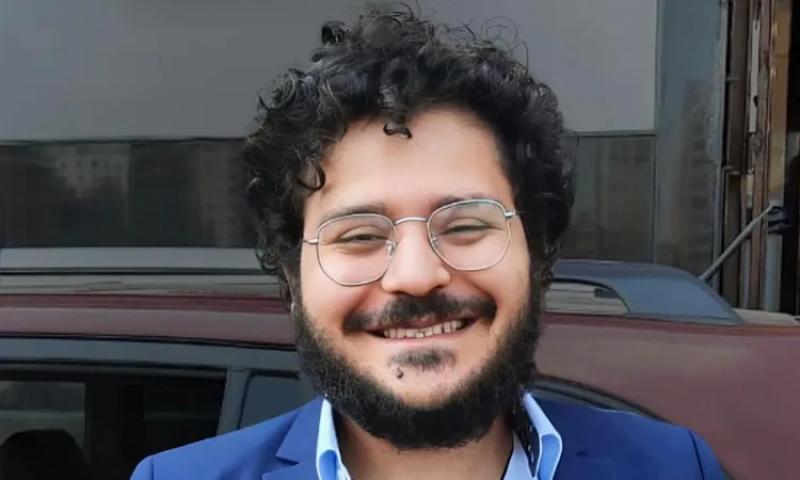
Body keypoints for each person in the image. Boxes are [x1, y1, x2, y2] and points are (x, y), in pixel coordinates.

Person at [131, 7, 724, 480]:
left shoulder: (674, 468)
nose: (415, 276)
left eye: (465, 226)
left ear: (538, 257)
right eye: (360, 236)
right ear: (293, 280)